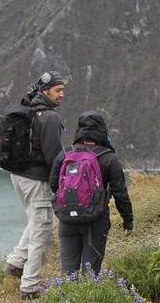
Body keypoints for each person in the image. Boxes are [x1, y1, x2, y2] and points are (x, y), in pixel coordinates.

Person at [5, 71, 66, 299]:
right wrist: (61, 184)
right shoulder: (49, 117)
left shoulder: (28, 110)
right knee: (43, 228)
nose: (62, 94)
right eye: (58, 90)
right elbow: (55, 157)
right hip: (35, 179)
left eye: (63, 90)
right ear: (45, 91)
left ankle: (16, 262)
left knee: (35, 218)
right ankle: (30, 286)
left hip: (17, 176)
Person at [49, 111, 133, 277]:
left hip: (67, 219)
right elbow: (120, 194)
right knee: (91, 272)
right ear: (102, 130)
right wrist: (128, 221)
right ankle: (88, 294)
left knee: (68, 271)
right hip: (95, 220)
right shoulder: (109, 158)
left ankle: (66, 294)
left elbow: (53, 185)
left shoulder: (65, 154)